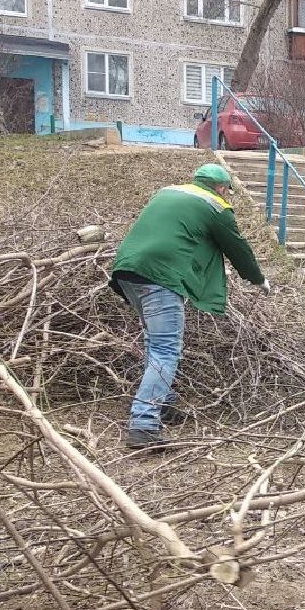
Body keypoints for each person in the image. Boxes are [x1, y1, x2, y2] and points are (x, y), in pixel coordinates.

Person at [110, 162, 268, 449]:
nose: (226, 195)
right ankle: (143, 424)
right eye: (226, 191)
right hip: (161, 276)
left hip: (127, 271)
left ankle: (165, 405)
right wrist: (258, 280)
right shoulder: (216, 206)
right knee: (165, 349)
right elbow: (238, 249)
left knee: (154, 344)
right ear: (221, 188)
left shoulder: (166, 193)